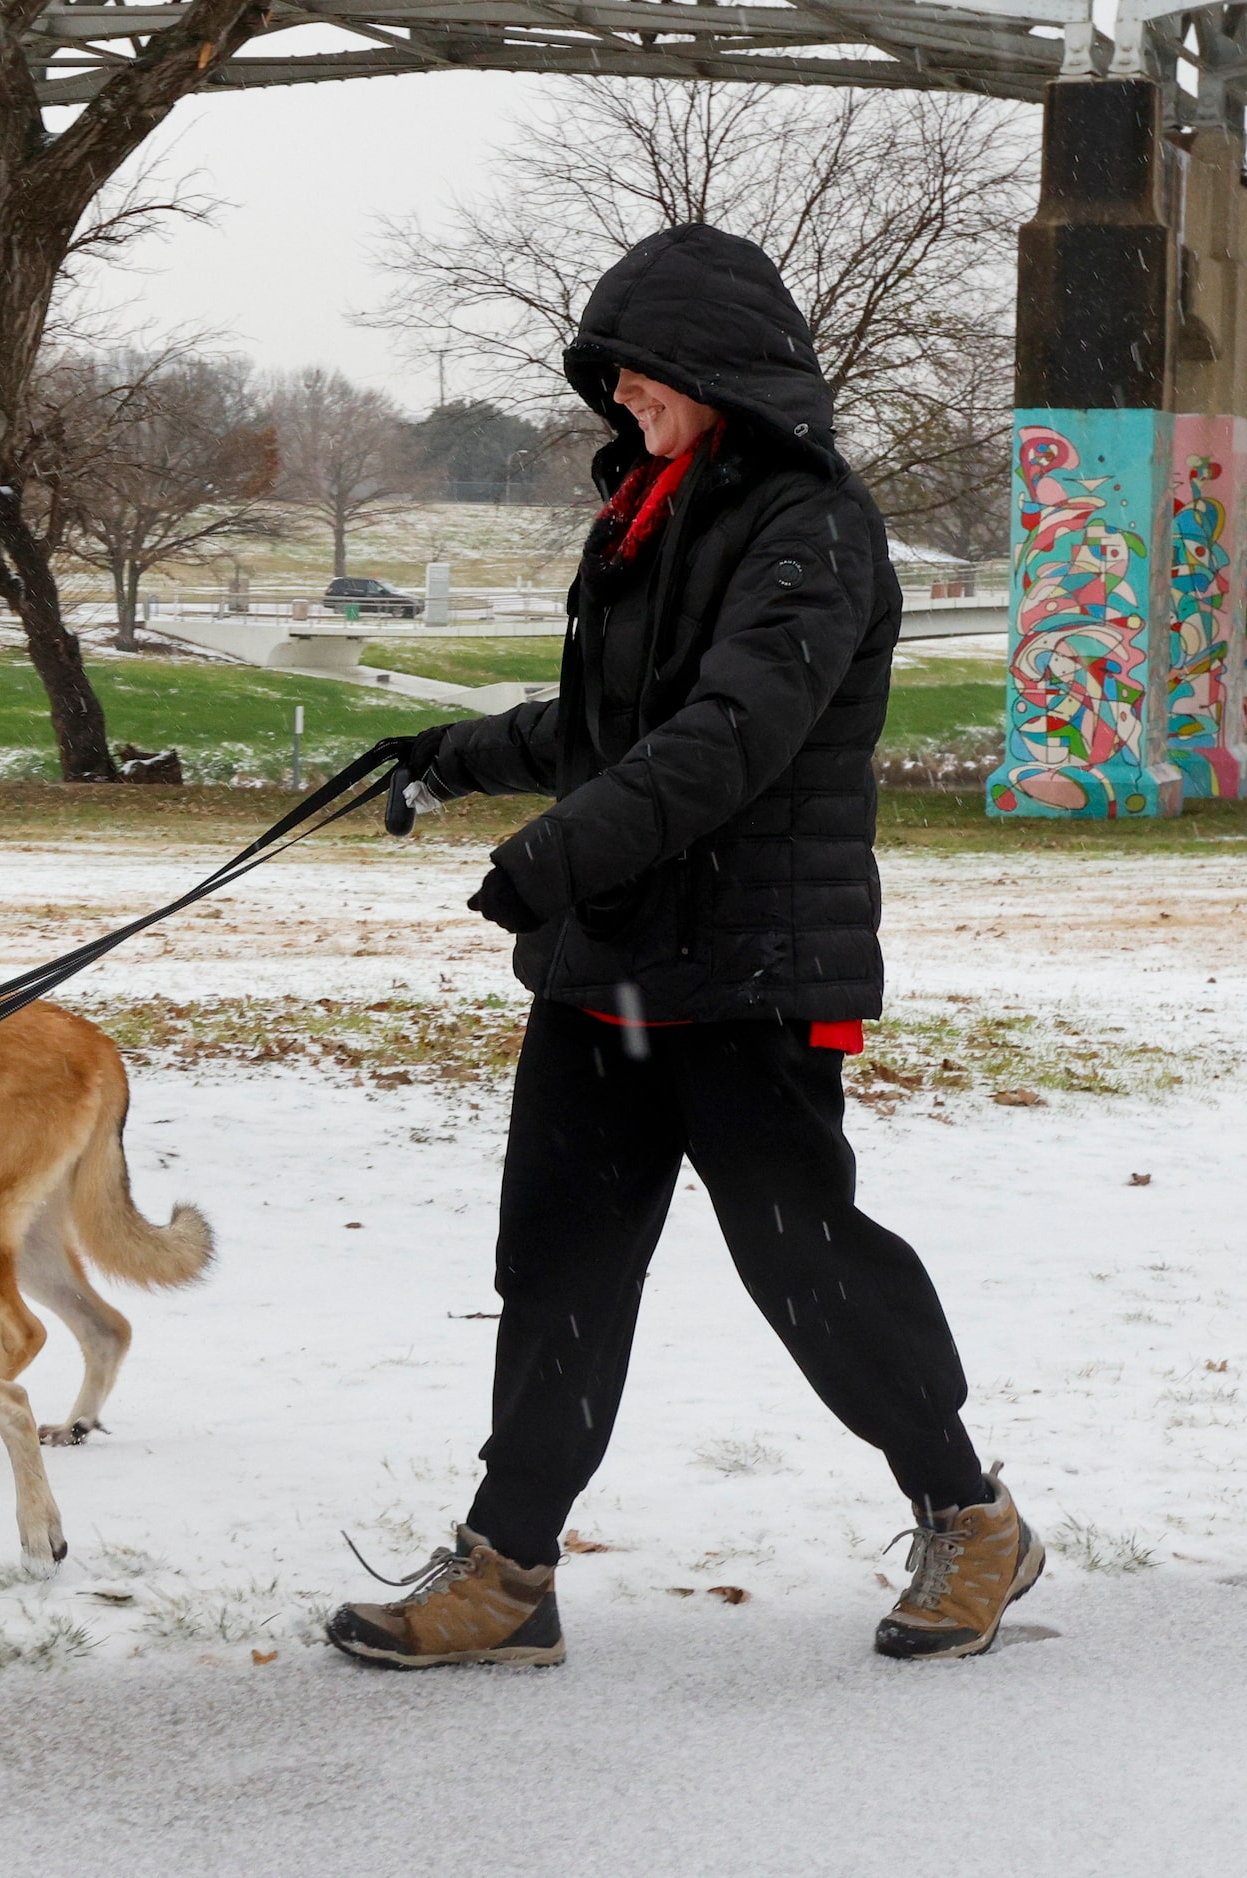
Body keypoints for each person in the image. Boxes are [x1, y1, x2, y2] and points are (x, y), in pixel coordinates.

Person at [327, 224, 1040, 1671]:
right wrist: (450, 755)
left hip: (752, 971)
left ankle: (971, 1516)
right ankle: (509, 1571)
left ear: (720, 374)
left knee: (807, 1262)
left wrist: (551, 855)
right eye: (614, 382)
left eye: (643, 379)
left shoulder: (813, 528)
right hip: (614, 971)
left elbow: (731, 740)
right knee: (559, 1265)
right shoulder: (652, 510)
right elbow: (610, 726)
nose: (622, 405)